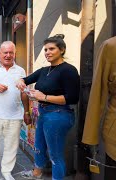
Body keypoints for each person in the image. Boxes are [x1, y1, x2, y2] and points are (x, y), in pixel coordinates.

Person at [16, 34, 80, 180]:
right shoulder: (44, 70)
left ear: (62, 50)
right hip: (44, 113)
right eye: (45, 49)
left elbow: (72, 98)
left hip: (59, 115)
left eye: (52, 49)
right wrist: (20, 81)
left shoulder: (68, 70)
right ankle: (36, 173)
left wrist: (43, 97)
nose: (47, 52)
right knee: (39, 147)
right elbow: (26, 79)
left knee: (55, 155)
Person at [0, 41, 30, 180]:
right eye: (5, 52)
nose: (8, 55)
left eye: (11, 52)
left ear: (15, 54)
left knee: (11, 145)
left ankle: (7, 171)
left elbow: (23, 92)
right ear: (0, 54)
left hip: (15, 115)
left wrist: (27, 112)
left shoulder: (21, 71)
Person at [82, 36, 116, 179]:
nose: (47, 52)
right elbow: (98, 91)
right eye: (46, 49)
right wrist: (91, 136)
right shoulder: (111, 47)